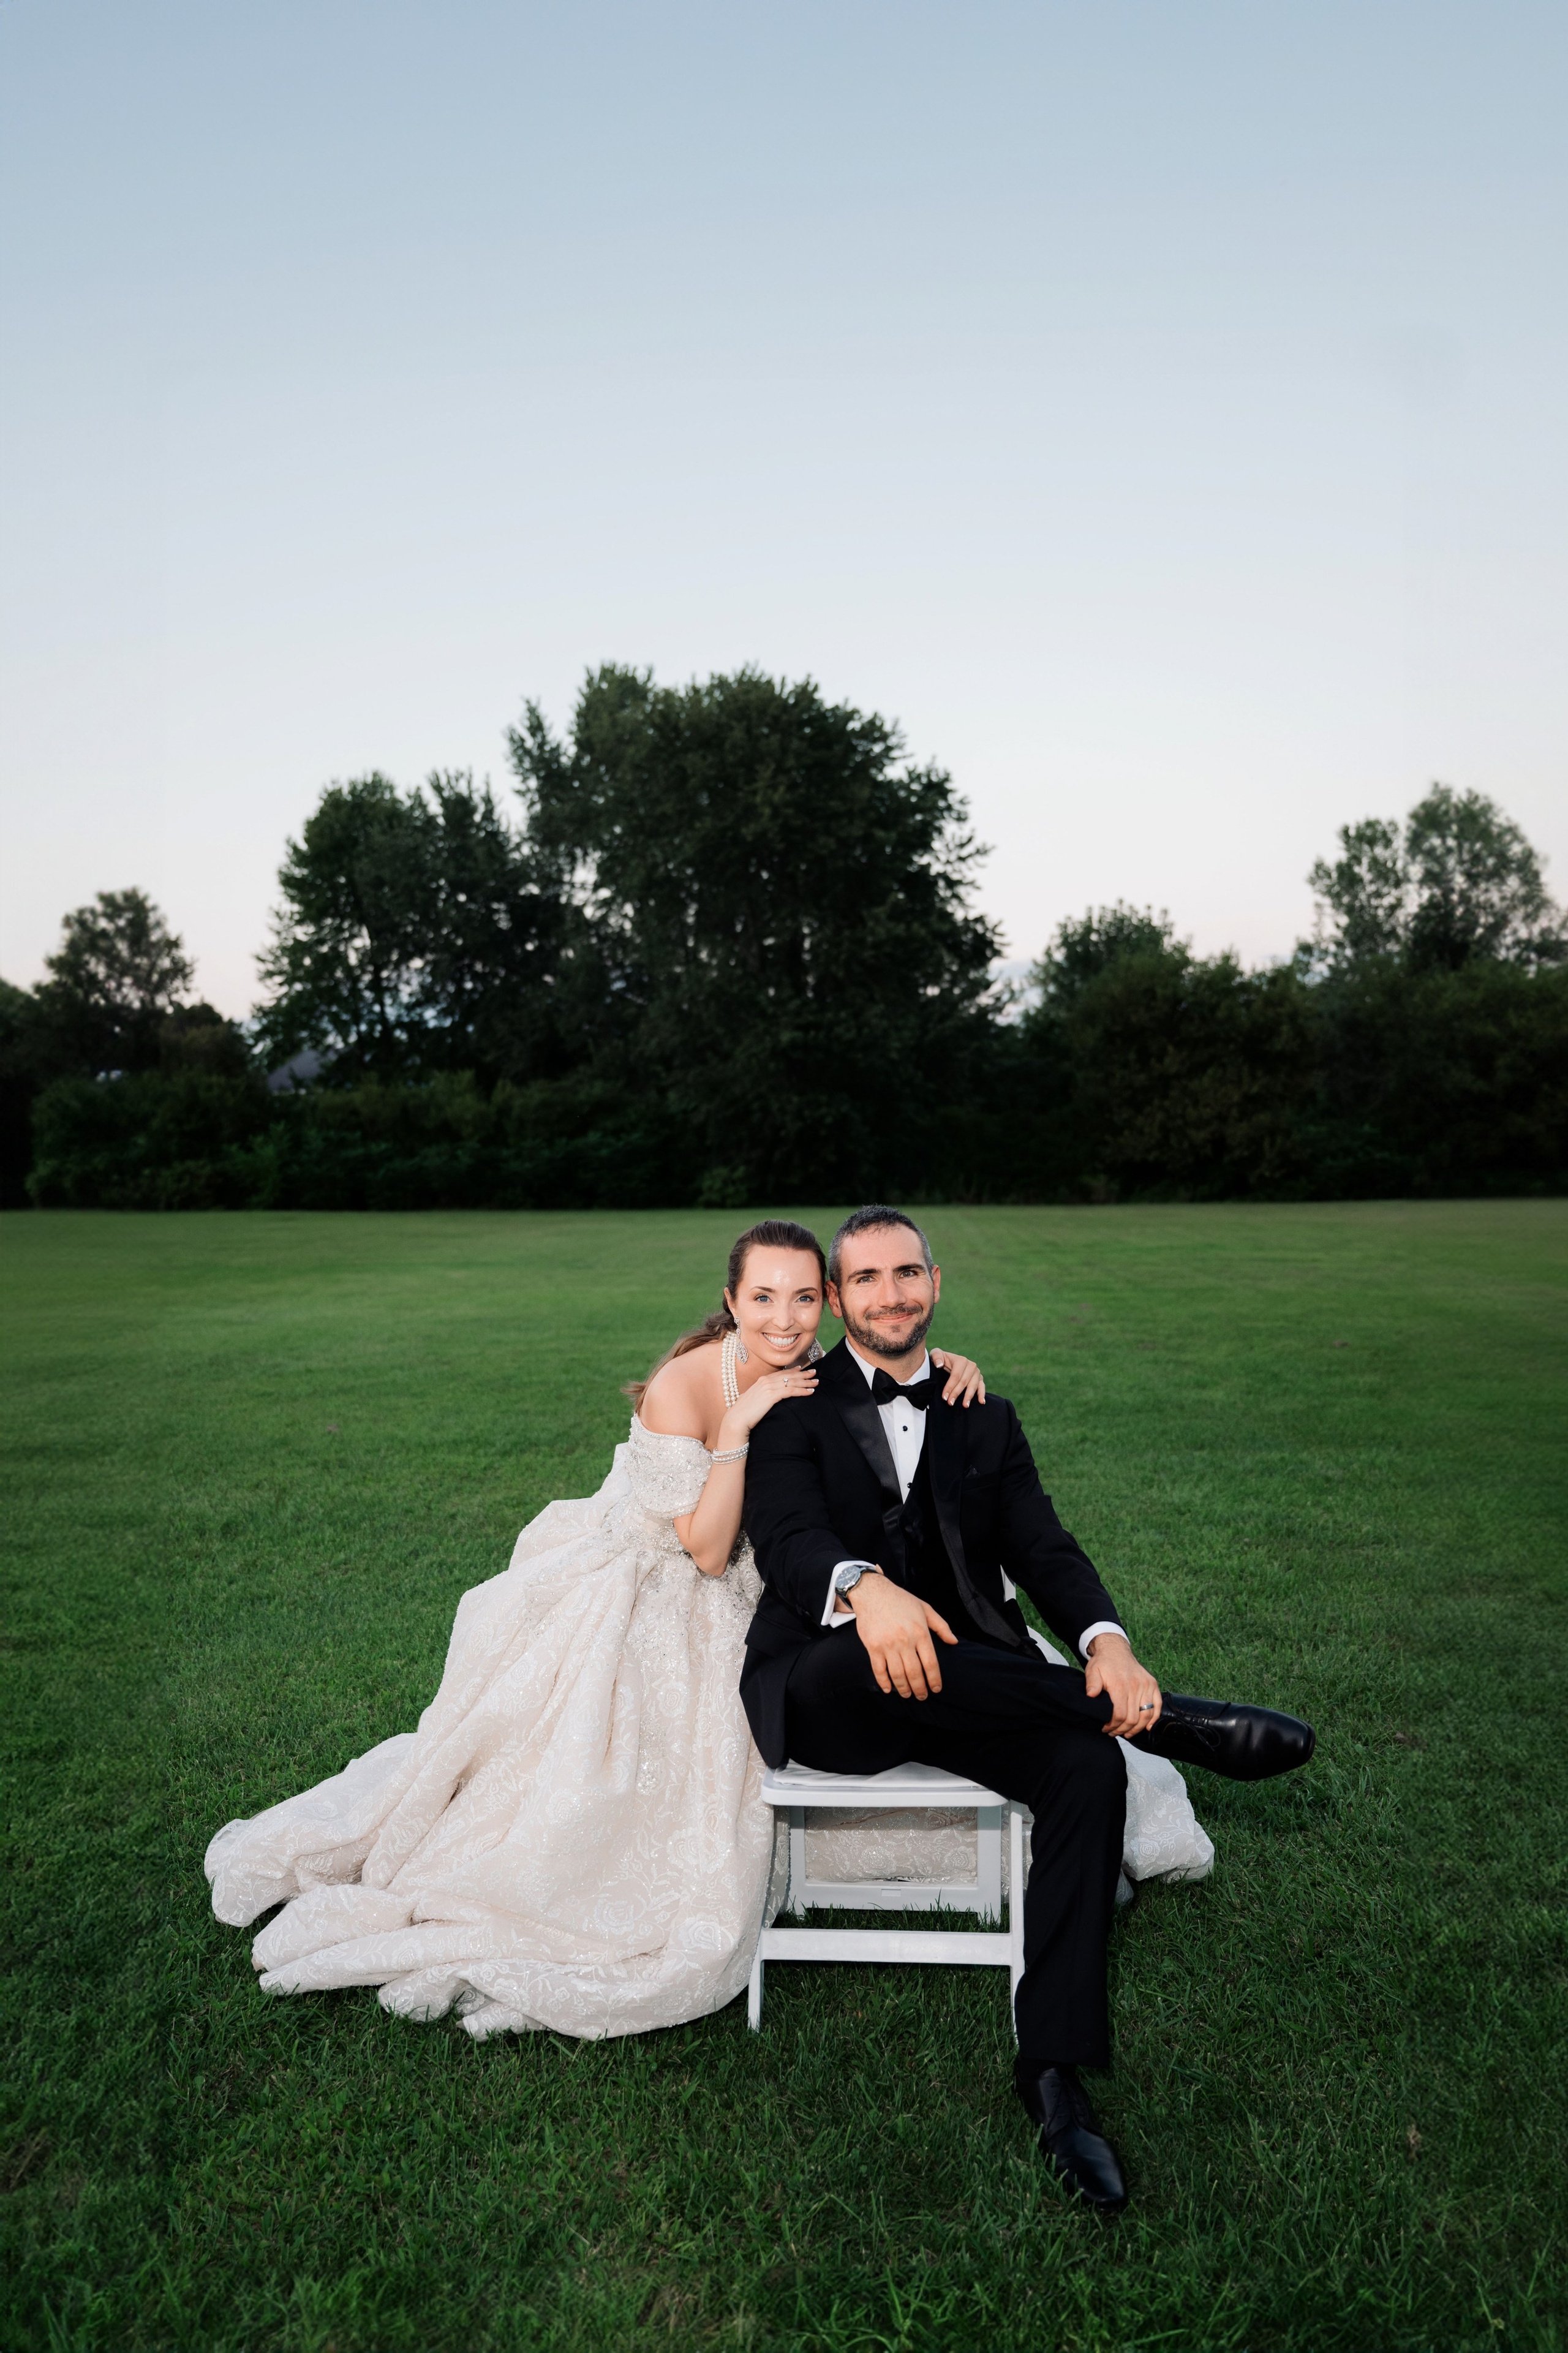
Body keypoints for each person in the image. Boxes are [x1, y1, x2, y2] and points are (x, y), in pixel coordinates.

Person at [203, 1220, 993, 2038]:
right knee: (644, 1735)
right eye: (762, 1298)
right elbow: (711, 1553)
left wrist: (953, 1368)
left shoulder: (825, 1370)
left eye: (801, 1298)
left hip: (775, 1574)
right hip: (668, 1576)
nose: (784, 1320)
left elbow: (898, 1374)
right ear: (731, 1300)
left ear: (826, 1301)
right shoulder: (684, 1385)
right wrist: (737, 1427)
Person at [741, 1204, 1315, 2217]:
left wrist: (1109, 1641)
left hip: (978, 1683)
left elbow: (1042, 1547)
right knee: (897, 1657)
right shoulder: (788, 1402)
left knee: (1087, 1769)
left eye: (906, 1273)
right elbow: (786, 1535)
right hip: (835, 1684)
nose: (890, 1294)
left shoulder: (984, 1414)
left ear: (935, 1280)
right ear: (837, 1297)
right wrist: (864, 1589)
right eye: (865, 1278)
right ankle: (1172, 1721)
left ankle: (1053, 2076)